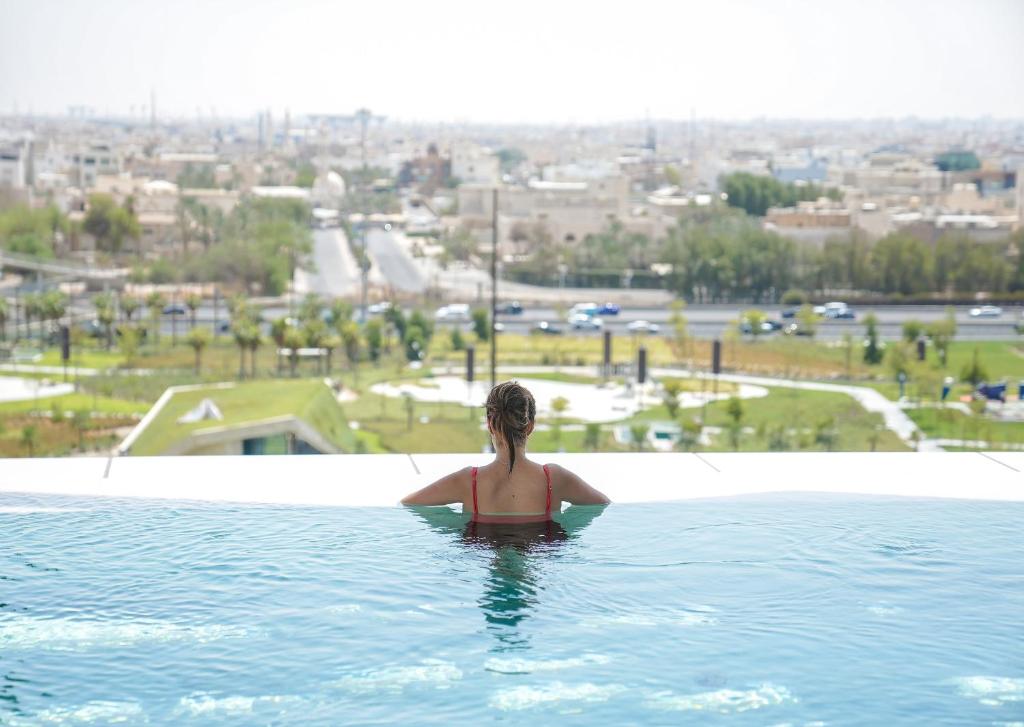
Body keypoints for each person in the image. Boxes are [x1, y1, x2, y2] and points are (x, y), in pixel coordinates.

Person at [401, 381, 610, 519]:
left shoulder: (467, 482)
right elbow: (602, 504)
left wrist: (454, 529)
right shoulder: (554, 479)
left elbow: (410, 503)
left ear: (490, 424)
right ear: (530, 426)